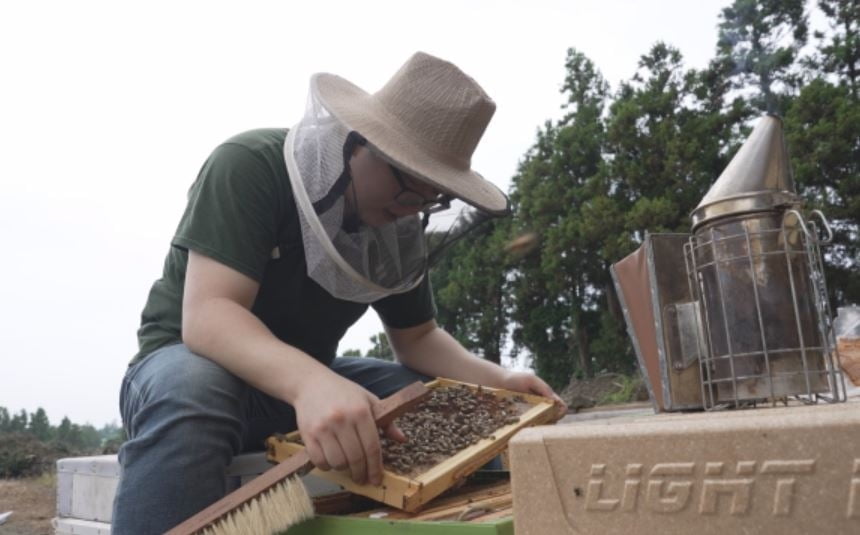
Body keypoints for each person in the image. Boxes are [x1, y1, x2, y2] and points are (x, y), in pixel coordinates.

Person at [111, 51, 566, 534]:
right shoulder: (250, 166)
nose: (413, 209)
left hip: (294, 390)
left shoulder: (400, 227)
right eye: (409, 185)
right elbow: (209, 315)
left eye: (432, 196)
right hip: (185, 371)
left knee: (430, 400)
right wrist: (311, 384)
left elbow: (418, 338)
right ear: (358, 144)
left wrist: (499, 379)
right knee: (195, 389)